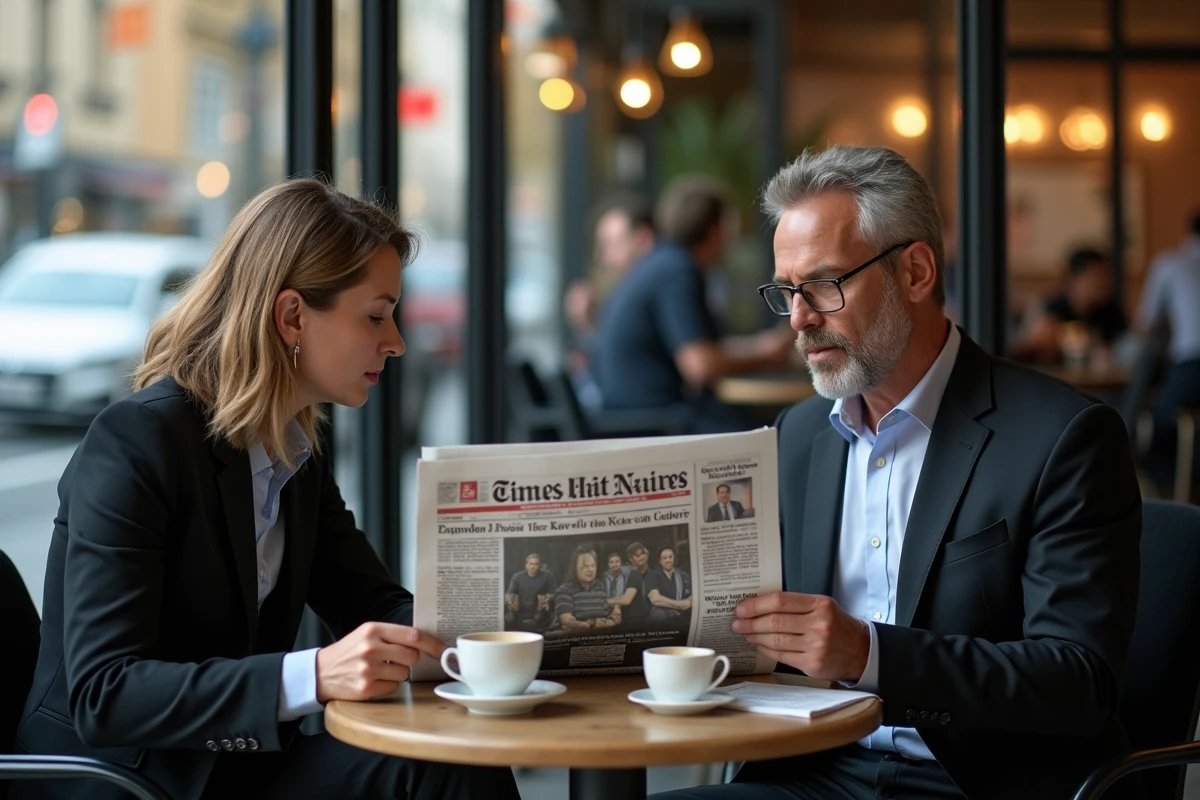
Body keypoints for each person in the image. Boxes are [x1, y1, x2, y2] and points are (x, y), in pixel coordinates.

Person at [654, 145, 1141, 800]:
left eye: (824, 285)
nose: (799, 319)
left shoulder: (1062, 440)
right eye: (787, 292)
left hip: (970, 782)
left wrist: (869, 655)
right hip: (808, 769)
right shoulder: (797, 436)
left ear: (914, 271)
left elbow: (1077, 683)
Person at [12, 179, 521, 800]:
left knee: (460, 757)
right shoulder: (136, 443)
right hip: (129, 779)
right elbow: (105, 694)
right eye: (375, 315)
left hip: (233, 767)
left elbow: (374, 603)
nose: (396, 342)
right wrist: (314, 672)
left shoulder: (293, 448)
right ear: (291, 316)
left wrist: (486, 634)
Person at [590, 175, 796, 433]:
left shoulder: (658, 264)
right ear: (716, 231)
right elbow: (699, 364)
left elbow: (697, 348)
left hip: (627, 417)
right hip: (656, 424)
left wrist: (760, 346)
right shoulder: (678, 270)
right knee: (781, 430)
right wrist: (767, 354)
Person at [1137, 211, 1200, 492]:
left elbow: (1145, 324)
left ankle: (1165, 495)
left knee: (1159, 427)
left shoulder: (1171, 263)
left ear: (1187, 232)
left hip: (1191, 364)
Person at [1009, 248, 1128, 362]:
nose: (1103, 283)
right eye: (1096, 276)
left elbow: (1126, 344)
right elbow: (1022, 350)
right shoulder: (1052, 309)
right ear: (1074, 278)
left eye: (1106, 276)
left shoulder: (1109, 309)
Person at [550, 546, 621, 634]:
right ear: (575, 569)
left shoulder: (601, 587)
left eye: (593, 565)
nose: (590, 570)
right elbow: (567, 621)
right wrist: (592, 623)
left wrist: (615, 612)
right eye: (585, 566)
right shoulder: (565, 590)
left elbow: (613, 620)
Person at [505, 552, 556, 631]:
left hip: (540, 612)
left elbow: (553, 593)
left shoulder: (547, 576)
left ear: (540, 565)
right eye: (531, 564)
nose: (533, 567)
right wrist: (511, 601)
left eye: (536, 564)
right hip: (520, 612)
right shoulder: (517, 577)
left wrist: (546, 598)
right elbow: (510, 593)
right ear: (526, 564)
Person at [645, 546, 692, 629]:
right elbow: (655, 599)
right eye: (664, 558)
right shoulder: (652, 575)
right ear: (660, 561)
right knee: (659, 614)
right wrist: (681, 605)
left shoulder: (684, 576)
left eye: (670, 557)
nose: (668, 560)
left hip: (682, 616)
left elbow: (691, 598)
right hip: (662, 616)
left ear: (674, 558)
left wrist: (688, 602)